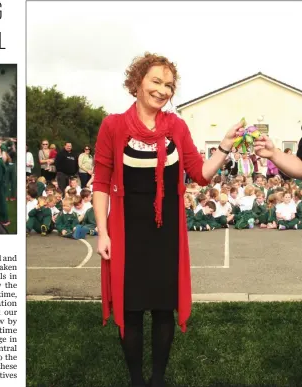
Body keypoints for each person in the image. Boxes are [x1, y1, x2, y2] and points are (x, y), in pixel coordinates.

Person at [93, 52, 240, 387]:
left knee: (162, 310)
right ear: (138, 82)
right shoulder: (113, 126)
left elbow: (199, 174)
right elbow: (101, 182)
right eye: (155, 81)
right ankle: (136, 380)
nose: (162, 90)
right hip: (128, 232)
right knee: (130, 312)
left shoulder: (176, 126)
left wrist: (225, 147)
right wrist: (102, 232)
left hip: (167, 234)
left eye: (169, 85)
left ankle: (157, 379)